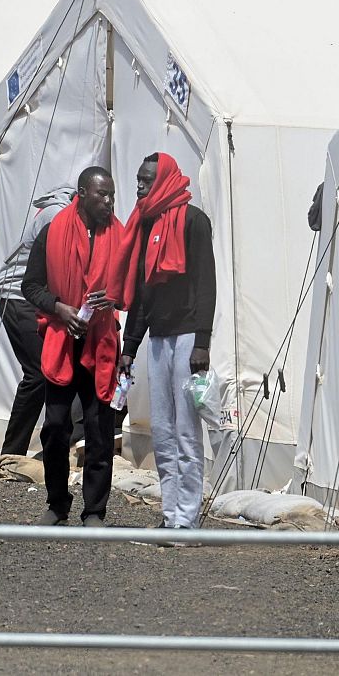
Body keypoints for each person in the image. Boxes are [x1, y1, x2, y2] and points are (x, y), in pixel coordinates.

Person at [118, 153, 216, 533]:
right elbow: (143, 291)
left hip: (188, 334)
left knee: (186, 430)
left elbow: (206, 284)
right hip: (158, 337)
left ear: (162, 181)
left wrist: (202, 343)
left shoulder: (193, 221)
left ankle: (187, 519)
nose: (139, 187)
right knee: (162, 429)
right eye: (138, 179)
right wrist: (130, 346)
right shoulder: (147, 223)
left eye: (145, 180)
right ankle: (171, 513)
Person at [23, 167, 122, 528]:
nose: (109, 202)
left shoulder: (119, 237)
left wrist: (113, 300)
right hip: (61, 341)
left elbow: (130, 290)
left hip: (102, 344)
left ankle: (94, 510)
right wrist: (60, 308)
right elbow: (30, 286)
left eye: (112, 195)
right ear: (82, 193)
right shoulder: (52, 233)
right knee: (55, 427)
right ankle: (57, 503)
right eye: (102, 195)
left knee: (99, 429)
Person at [0, 185, 76, 456]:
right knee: (38, 372)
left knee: (59, 367)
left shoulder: (66, 213)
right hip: (18, 294)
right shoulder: (57, 215)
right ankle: (12, 451)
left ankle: (58, 444)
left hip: (39, 298)